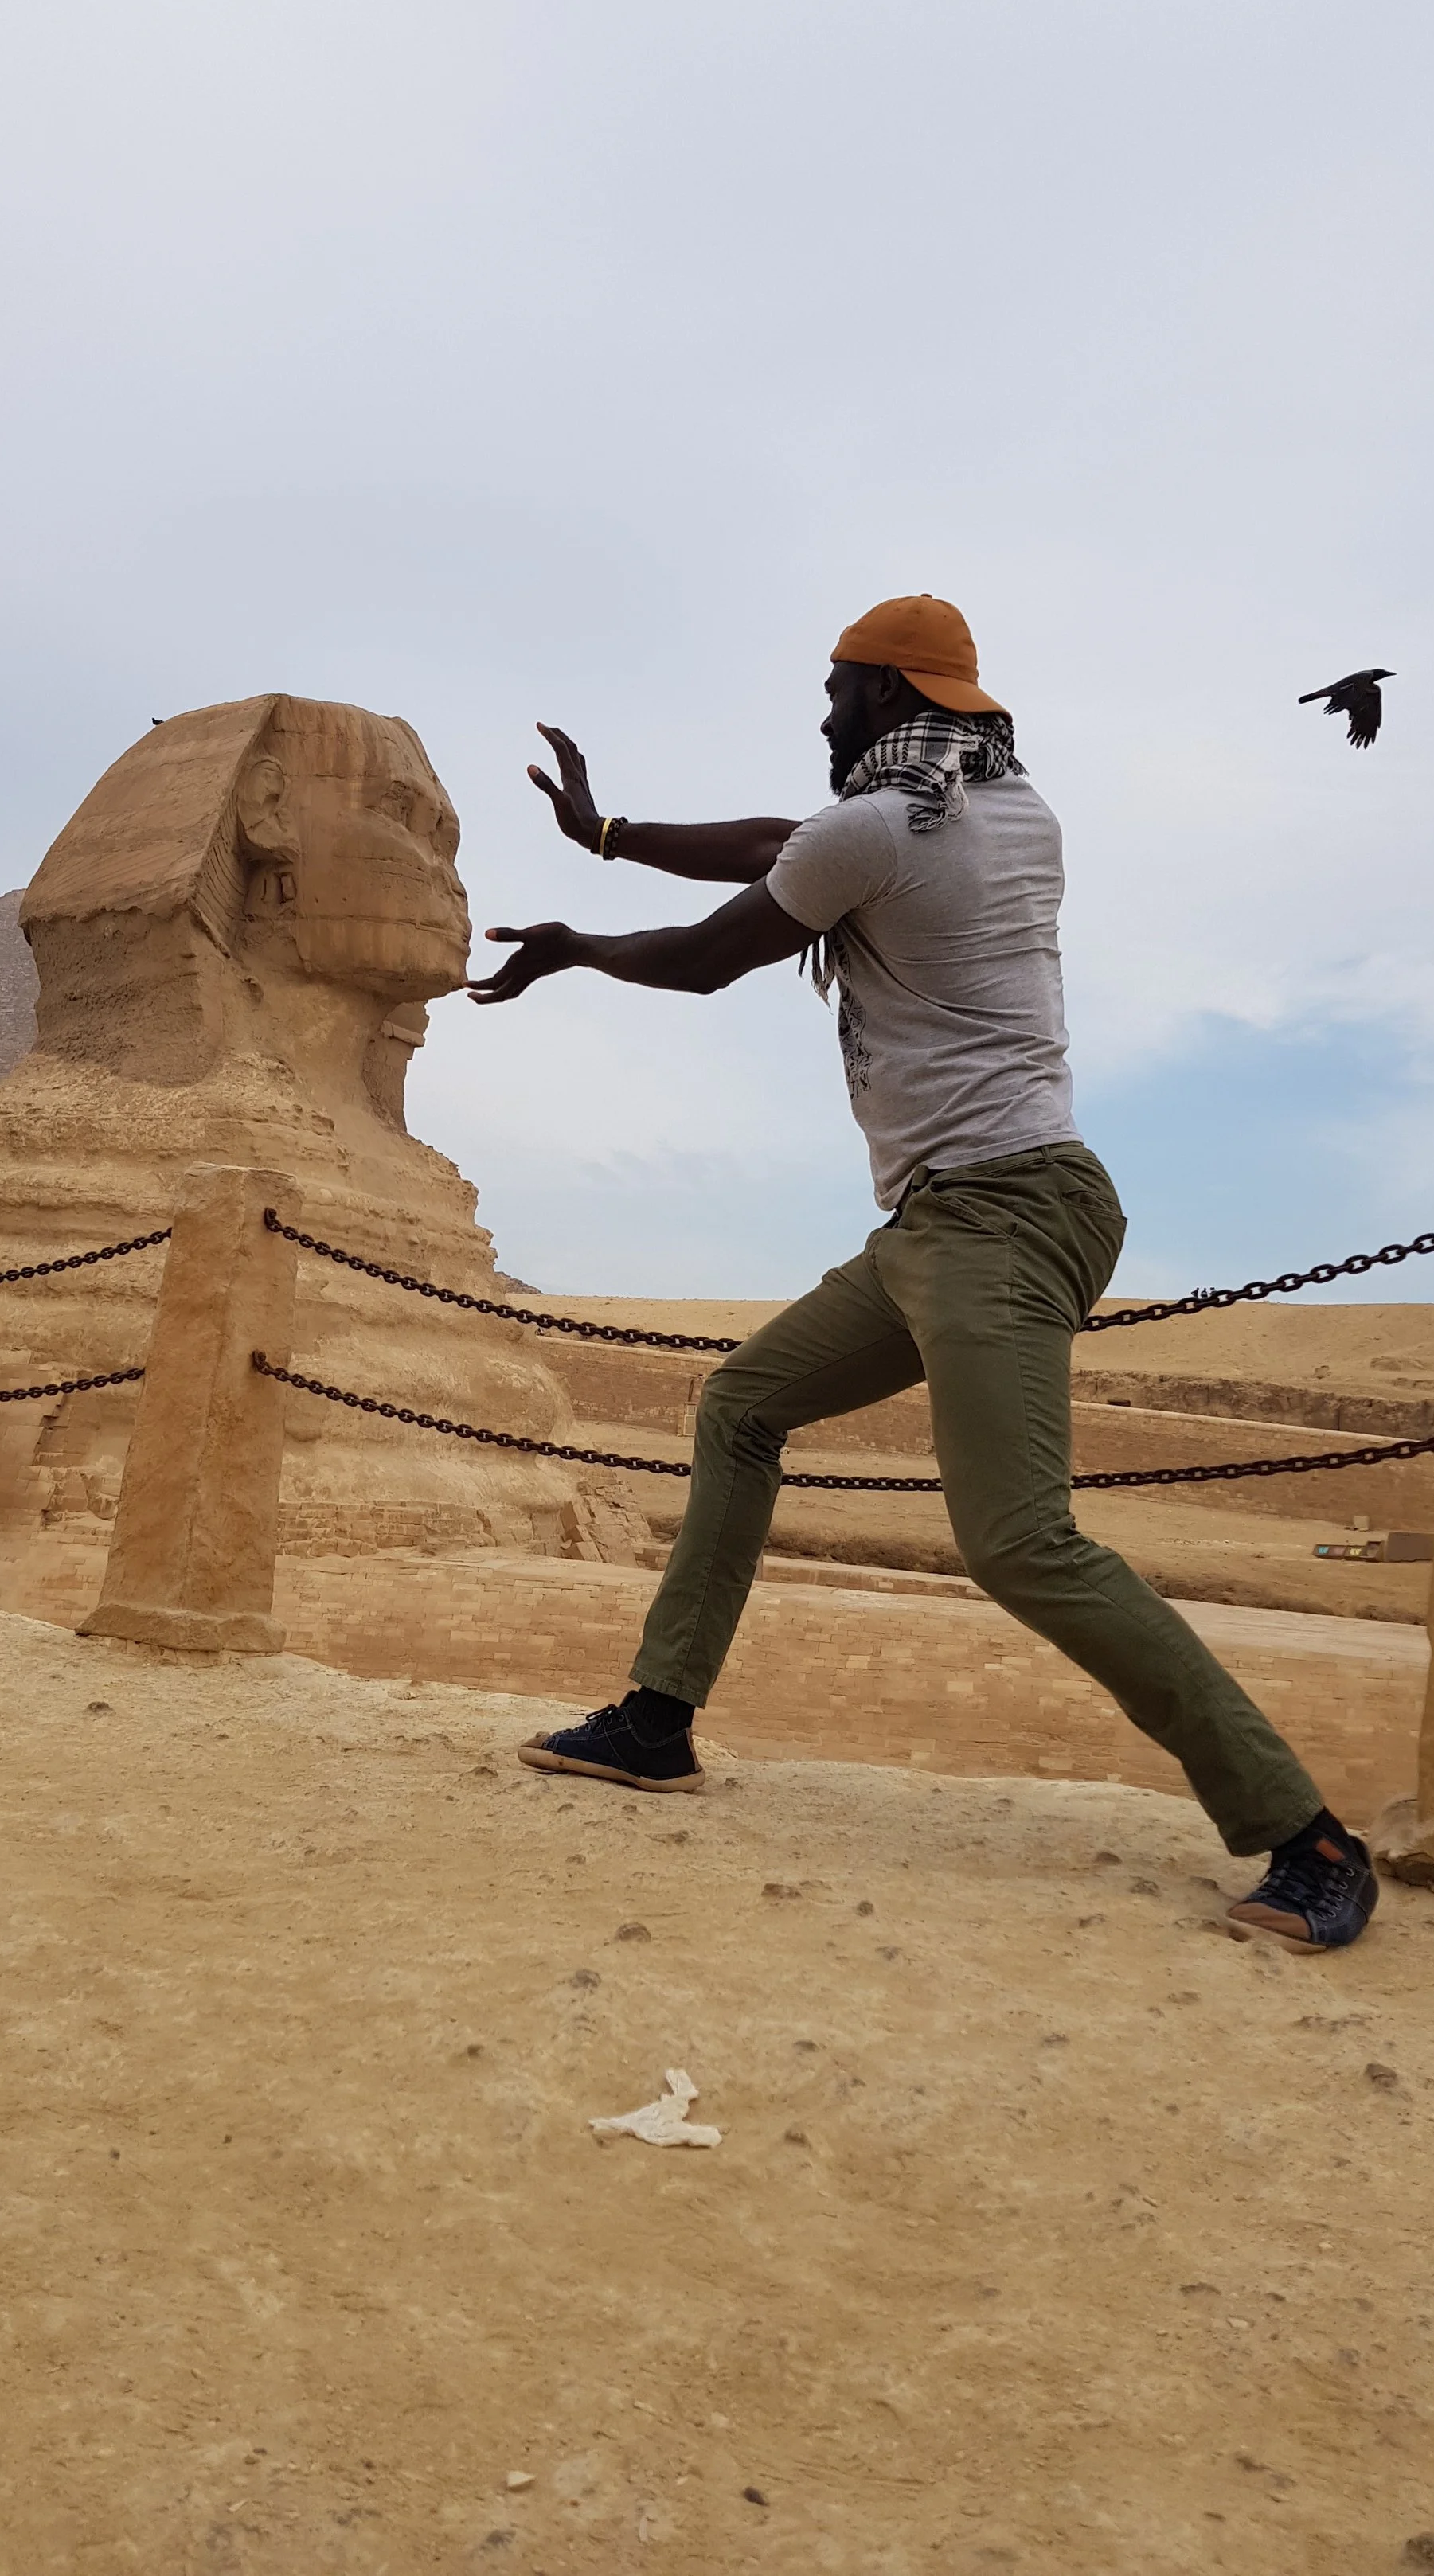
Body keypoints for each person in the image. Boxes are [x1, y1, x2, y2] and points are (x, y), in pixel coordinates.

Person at [467, 595, 1379, 1953]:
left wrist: (577, 946)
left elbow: (721, 952)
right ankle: (656, 1724)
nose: (822, 714)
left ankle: (1307, 1840)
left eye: (836, 691)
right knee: (744, 1407)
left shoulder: (882, 827)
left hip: (998, 1219)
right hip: (956, 1222)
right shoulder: (1002, 811)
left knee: (1018, 1542)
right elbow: (788, 845)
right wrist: (606, 833)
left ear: (889, 696)